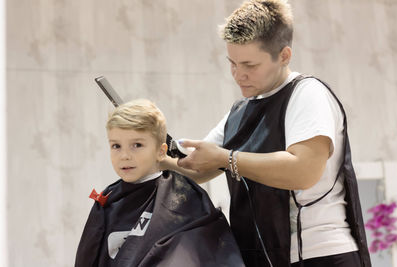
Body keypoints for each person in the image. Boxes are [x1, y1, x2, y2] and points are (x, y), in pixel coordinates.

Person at [161, 0, 371, 266]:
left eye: (250, 65)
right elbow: (200, 165)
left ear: (284, 55)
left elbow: (304, 170)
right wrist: (158, 155)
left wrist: (226, 159)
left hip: (321, 255)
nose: (238, 75)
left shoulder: (308, 94)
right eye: (232, 63)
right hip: (266, 256)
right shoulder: (240, 111)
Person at [74, 99, 245, 267]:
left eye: (137, 145)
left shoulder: (183, 197)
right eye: (116, 146)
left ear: (161, 151)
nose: (124, 155)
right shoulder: (108, 200)